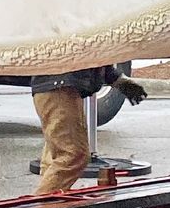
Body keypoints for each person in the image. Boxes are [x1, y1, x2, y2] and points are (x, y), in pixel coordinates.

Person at [31, 66, 124, 197]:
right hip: (59, 88)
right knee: (72, 155)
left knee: (57, 157)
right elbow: (87, 52)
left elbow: (91, 55)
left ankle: (49, 205)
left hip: (57, 87)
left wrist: (116, 79)